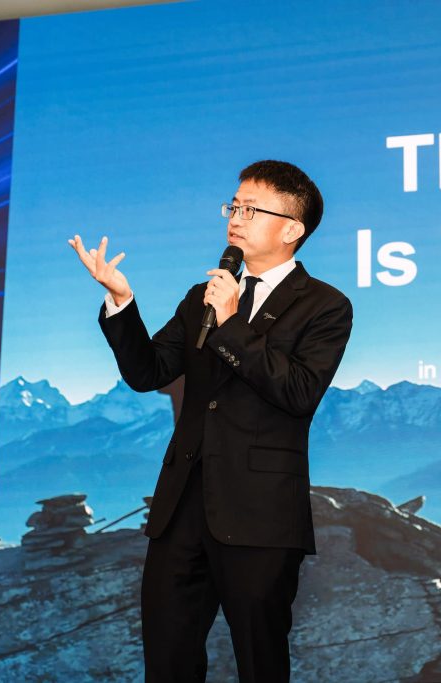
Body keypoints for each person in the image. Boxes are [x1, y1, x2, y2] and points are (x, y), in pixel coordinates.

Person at [68, 160, 353, 682]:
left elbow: (298, 393)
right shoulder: (203, 295)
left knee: (260, 663)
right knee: (168, 660)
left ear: (292, 229)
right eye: (233, 207)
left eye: (251, 210)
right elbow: (148, 372)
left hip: (260, 515)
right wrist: (121, 301)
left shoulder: (325, 306)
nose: (236, 218)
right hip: (181, 509)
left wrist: (232, 321)